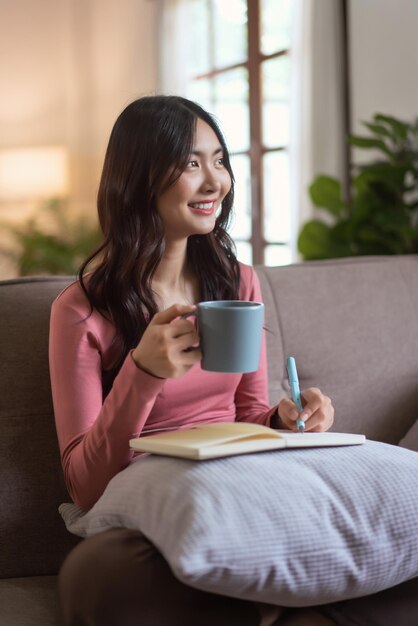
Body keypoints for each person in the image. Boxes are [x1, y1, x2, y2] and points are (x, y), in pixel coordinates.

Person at [49, 95, 336, 626]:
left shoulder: (236, 281)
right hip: (152, 503)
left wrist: (286, 419)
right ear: (139, 179)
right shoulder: (82, 309)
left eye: (219, 159)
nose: (215, 182)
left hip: (239, 481)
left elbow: (248, 416)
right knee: (97, 578)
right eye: (190, 163)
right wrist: (142, 373)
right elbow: (85, 487)